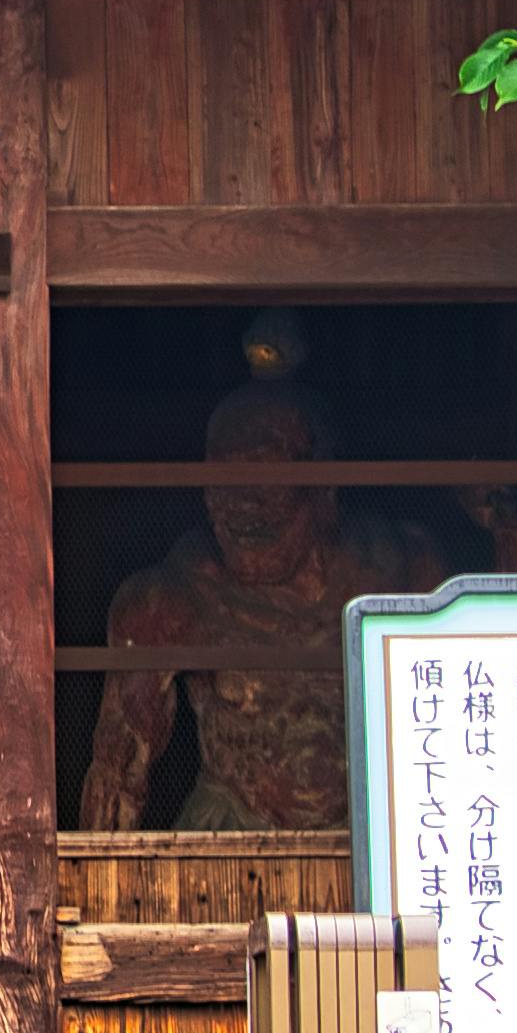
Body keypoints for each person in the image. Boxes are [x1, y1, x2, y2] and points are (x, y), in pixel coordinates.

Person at [77, 312, 440, 833]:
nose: (240, 503)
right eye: (223, 476)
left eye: (264, 475)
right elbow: (117, 772)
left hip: (375, 837)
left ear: (325, 487)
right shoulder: (172, 600)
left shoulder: (401, 572)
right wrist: (96, 891)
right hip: (231, 830)